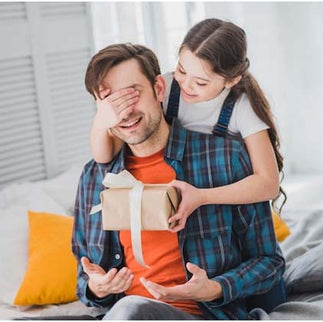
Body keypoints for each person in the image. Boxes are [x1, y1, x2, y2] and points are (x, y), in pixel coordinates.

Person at [72, 42, 285, 319]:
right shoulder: (93, 177)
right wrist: (97, 287)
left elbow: (269, 262)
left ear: (159, 89)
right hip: (121, 314)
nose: (124, 111)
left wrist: (215, 288)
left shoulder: (225, 158)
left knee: (131, 310)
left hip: (201, 314)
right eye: (111, 101)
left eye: (132, 94)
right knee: (129, 309)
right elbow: (83, 278)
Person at [89, 18, 286, 232]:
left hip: (220, 205)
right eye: (182, 70)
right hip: (171, 200)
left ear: (231, 81)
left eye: (200, 82)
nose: (186, 85)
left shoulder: (241, 107)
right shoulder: (165, 86)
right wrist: (101, 122)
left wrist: (202, 196)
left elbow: (268, 183)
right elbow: (104, 156)